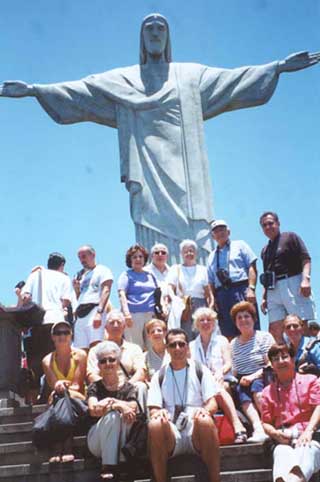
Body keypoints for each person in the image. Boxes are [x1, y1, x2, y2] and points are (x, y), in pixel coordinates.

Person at [1, 15, 319, 261]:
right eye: (149, 29)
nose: (155, 33)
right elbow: (81, 93)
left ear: (168, 37)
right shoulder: (123, 80)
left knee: (197, 232)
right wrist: (34, 90)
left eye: (161, 29)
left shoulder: (190, 76)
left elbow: (234, 80)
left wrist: (276, 68)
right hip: (147, 167)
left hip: (187, 171)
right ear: (142, 38)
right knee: (151, 229)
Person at [148, 328, 221, 482]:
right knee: (154, 424)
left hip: (196, 429)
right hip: (172, 432)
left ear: (187, 347)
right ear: (167, 349)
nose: (178, 349)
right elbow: (153, 408)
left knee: (205, 420)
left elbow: (212, 403)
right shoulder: (159, 375)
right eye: (173, 345)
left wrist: (204, 410)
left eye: (181, 344)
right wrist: (158, 413)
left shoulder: (201, 370)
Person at [261, 343, 320, 482]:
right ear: (272, 365)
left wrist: (308, 431)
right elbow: (266, 423)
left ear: (293, 360)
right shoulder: (267, 392)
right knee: (281, 453)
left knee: (305, 450)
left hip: (310, 438)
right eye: (276, 359)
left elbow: (318, 406)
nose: (280, 361)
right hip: (284, 440)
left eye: (284, 357)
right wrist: (275, 434)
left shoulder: (311, 380)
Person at [190, 307, 247, 443]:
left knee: (218, 389)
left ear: (214, 323)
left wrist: (220, 372)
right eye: (201, 320)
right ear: (197, 324)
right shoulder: (191, 346)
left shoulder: (222, 341)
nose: (205, 323)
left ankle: (237, 426)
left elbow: (228, 363)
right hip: (201, 385)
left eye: (209, 320)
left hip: (222, 380)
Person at [260, 211, 316, 343]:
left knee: (300, 325)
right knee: (274, 329)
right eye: (264, 225)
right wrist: (264, 297)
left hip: (292, 282)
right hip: (273, 289)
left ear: (278, 223)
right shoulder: (265, 250)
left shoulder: (290, 237)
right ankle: (285, 360)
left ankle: (309, 359)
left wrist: (306, 279)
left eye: (270, 223)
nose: (268, 227)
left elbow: (305, 258)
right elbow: (266, 274)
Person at [21, 252, 72, 395]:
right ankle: (52, 392)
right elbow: (66, 300)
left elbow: (25, 297)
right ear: (62, 265)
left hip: (37, 322)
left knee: (35, 361)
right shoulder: (63, 278)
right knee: (55, 358)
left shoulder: (34, 275)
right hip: (55, 320)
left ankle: (34, 395)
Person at [87, 341, 138, 480]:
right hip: (97, 442)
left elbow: (133, 406)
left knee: (127, 416)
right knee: (113, 416)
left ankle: (120, 461)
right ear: (98, 366)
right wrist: (118, 406)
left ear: (118, 362)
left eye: (112, 359)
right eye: (103, 361)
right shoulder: (94, 387)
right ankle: (108, 465)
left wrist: (111, 403)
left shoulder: (128, 387)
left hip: (122, 439)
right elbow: (93, 409)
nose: (108, 363)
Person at [42, 321, 87, 463]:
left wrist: (61, 386)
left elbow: (77, 386)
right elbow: (53, 384)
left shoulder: (80, 355)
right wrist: (59, 386)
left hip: (77, 398)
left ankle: (60, 447)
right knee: (60, 397)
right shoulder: (47, 360)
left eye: (65, 332)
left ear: (71, 335)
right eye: (58, 333)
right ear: (52, 337)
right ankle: (66, 446)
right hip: (58, 397)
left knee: (61, 396)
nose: (62, 336)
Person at [230, 301, 274, 442]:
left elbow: (270, 363)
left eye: (246, 316)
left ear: (254, 319)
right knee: (240, 391)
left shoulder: (263, 337)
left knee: (256, 386)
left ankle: (268, 424)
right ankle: (258, 428)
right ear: (236, 323)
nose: (243, 320)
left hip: (263, 375)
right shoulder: (233, 344)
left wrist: (253, 376)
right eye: (239, 318)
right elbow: (235, 370)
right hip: (243, 380)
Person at [208, 219, 259, 339]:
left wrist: (251, 289)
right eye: (216, 231)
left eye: (222, 229)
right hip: (222, 294)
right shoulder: (211, 256)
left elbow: (252, 267)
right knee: (228, 330)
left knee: (248, 324)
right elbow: (210, 281)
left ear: (228, 231)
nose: (220, 233)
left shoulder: (240, 245)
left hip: (240, 289)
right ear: (212, 236)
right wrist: (213, 299)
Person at [167, 239, 214, 340]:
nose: (189, 253)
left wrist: (210, 308)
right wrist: (174, 299)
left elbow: (208, 293)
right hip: (183, 306)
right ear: (181, 254)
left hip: (200, 305)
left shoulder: (203, 270)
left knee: (202, 335)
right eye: (186, 251)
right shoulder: (175, 269)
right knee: (185, 336)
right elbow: (170, 288)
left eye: (191, 250)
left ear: (196, 253)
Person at [87, 310, 146, 386]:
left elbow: (141, 371)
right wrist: (108, 388)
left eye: (119, 322)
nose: (115, 325)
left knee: (141, 386)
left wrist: (127, 387)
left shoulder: (134, 349)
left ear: (124, 326)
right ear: (105, 327)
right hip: (104, 389)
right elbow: (92, 374)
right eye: (112, 323)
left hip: (128, 388)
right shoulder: (95, 350)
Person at [73, 245, 113, 350]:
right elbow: (78, 297)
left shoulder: (103, 270)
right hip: (80, 314)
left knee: (95, 347)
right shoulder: (80, 275)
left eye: (84, 256)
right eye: (80, 257)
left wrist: (99, 313)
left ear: (93, 255)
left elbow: (106, 290)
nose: (82, 260)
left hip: (94, 310)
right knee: (80, 350)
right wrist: (76, 289)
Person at [118, 244, 157, 349]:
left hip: (150, 315)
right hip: (134, 315)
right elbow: (122, 294)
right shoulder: (126, 275)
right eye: (134, 257)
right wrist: (126, 314)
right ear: (130, 260)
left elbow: (157, 294)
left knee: (152, 346)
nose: (138, 259)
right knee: (135, 347)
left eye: (140, 256)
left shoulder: (150, 275)